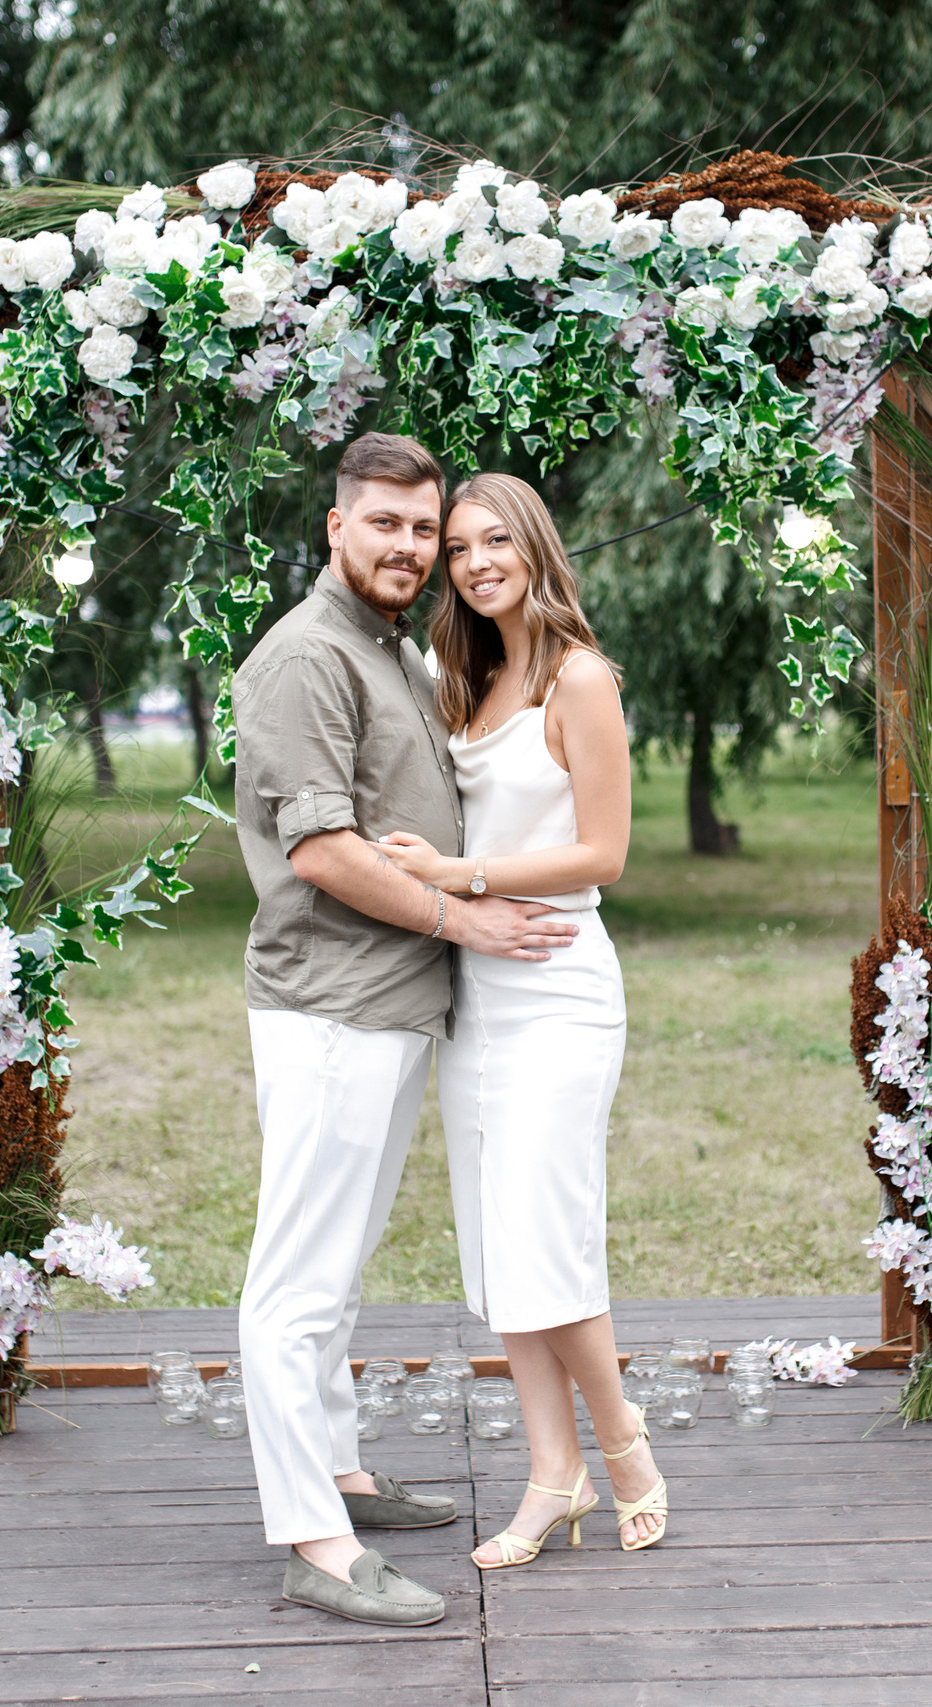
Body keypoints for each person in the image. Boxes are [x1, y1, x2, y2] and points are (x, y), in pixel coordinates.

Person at [231, 434, 581, 1627]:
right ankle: (316, 1546)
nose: (408, 547)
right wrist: (461, 920)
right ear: (336, 526)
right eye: (383, 523)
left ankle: (340, 1473)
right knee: (295, 1285)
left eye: (422, 528)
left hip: (387, 1010)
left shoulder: (384, 649)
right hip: (331, 1005)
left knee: (336, 1274)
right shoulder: (303, 660)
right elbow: (320, 851)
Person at [375, 472, 669, 1568]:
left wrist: (462, 876)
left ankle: (626, 1449)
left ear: (536, 548)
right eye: (457, 549)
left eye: (496, 539)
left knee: (547, 1237)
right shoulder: (471, 678)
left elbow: (604, 852)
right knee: (499, 1252)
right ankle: (554, 1476)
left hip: (558, 991)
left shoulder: (579, 678)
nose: (474, 561)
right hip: (478, 1002)